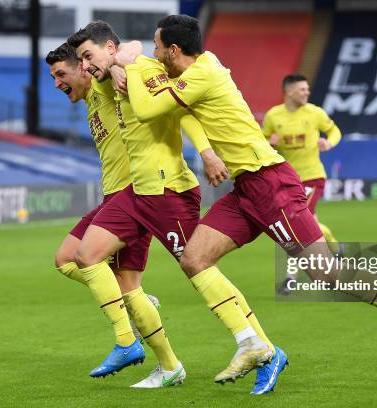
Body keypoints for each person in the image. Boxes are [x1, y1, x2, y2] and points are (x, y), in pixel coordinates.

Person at [114, 14, 377, 386]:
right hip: (246, 190)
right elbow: (172, 106)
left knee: (324, 272)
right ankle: (252, 343)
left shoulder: (203, 74)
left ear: (174, 50)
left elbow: (145, 109)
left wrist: (129, 66)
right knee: (194, 258)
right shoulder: (195, 72)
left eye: (158, 47)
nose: (155, 53)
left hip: (270, 185)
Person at [66, 21, 259, 388]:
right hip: (136, 192)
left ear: (110, 47)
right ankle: (148, 351)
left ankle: (257, 342)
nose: (84, 67)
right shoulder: (108, 80)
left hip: (168, 188)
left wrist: (206, 152)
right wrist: (118, 64)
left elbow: (181, 108)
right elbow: (123, 58)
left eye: (87, 57)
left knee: (198, 265)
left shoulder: (147, 68)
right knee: (84, 256)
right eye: (79, 60)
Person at [46, 43, 184, 387]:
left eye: (61, 74)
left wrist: (120, 66)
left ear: (83, 67)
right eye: (52, 77)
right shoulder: (90, 97)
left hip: (133, 194)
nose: (57, 84)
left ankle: (127, 339)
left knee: (89, 261)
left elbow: (130, 47)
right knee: (66, 259)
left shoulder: (105, 84)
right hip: (114, 196)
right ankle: (165, 361)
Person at [262, 73, 342, 294]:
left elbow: (334, 130)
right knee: (309, 223)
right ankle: (335, 245)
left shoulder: (315, 113)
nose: (307, 92)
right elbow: (262, 139)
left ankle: (290, 278)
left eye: (307, 89)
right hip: (288, 179)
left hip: (312, 177)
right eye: (302, 89)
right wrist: (270, 142)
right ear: (288, 92)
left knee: (293, 222)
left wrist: (329, 142)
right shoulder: (273, 115)